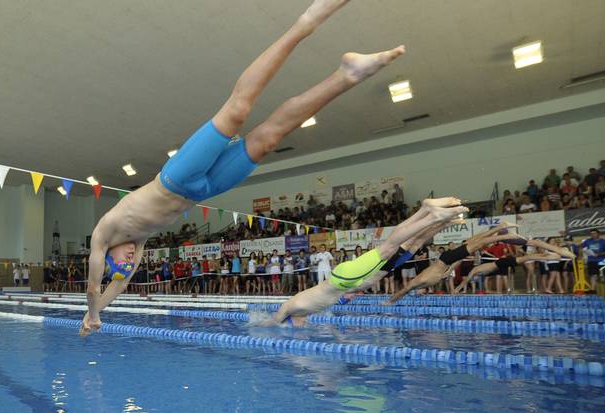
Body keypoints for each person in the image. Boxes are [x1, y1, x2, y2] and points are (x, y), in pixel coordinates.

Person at [80, 0, 407, 336]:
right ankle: (347, 75)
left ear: (108, 257)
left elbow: (95, 287)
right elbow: (115, 288)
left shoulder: (105, 232)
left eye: (121, 261)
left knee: (236, 111)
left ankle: (307, 21)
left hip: (175, 178)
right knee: (267, 139)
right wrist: (97, 316)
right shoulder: (139, 244)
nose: (129, 258)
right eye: (127, 265)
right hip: (204, 190)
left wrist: (90, 310)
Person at [263, 197, 468, 326]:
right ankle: (435, 217)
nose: (303, 327)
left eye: (297, 326)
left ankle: (428, 213)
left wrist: (267, 324)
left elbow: (271, 322)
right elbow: (335, 298)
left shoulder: (291, 307)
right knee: (405, 247)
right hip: (351, 280)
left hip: (345, 277)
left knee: (388, 247)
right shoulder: (307, 311)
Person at [385, 222, 522, 303]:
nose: (421, 294)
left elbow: (402, 291)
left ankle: (505, 234)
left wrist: (389, 302)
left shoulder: (416, 282)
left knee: (478, 243)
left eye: (419, 293)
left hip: (446, 259)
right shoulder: (426, 283)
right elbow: (456, 262)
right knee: (474, 240)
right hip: (447, 260)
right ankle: (500, 228)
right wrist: (450, 270)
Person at [451, 239, 576, 295]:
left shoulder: (475, 270)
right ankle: (548, 255)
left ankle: (547, 254)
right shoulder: (478, 270)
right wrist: (458, 288)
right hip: (499, 265)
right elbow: (466, 279)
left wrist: (458, 289)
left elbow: (466, 280)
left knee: (529, 258)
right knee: (529, 258)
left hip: (500, 263)